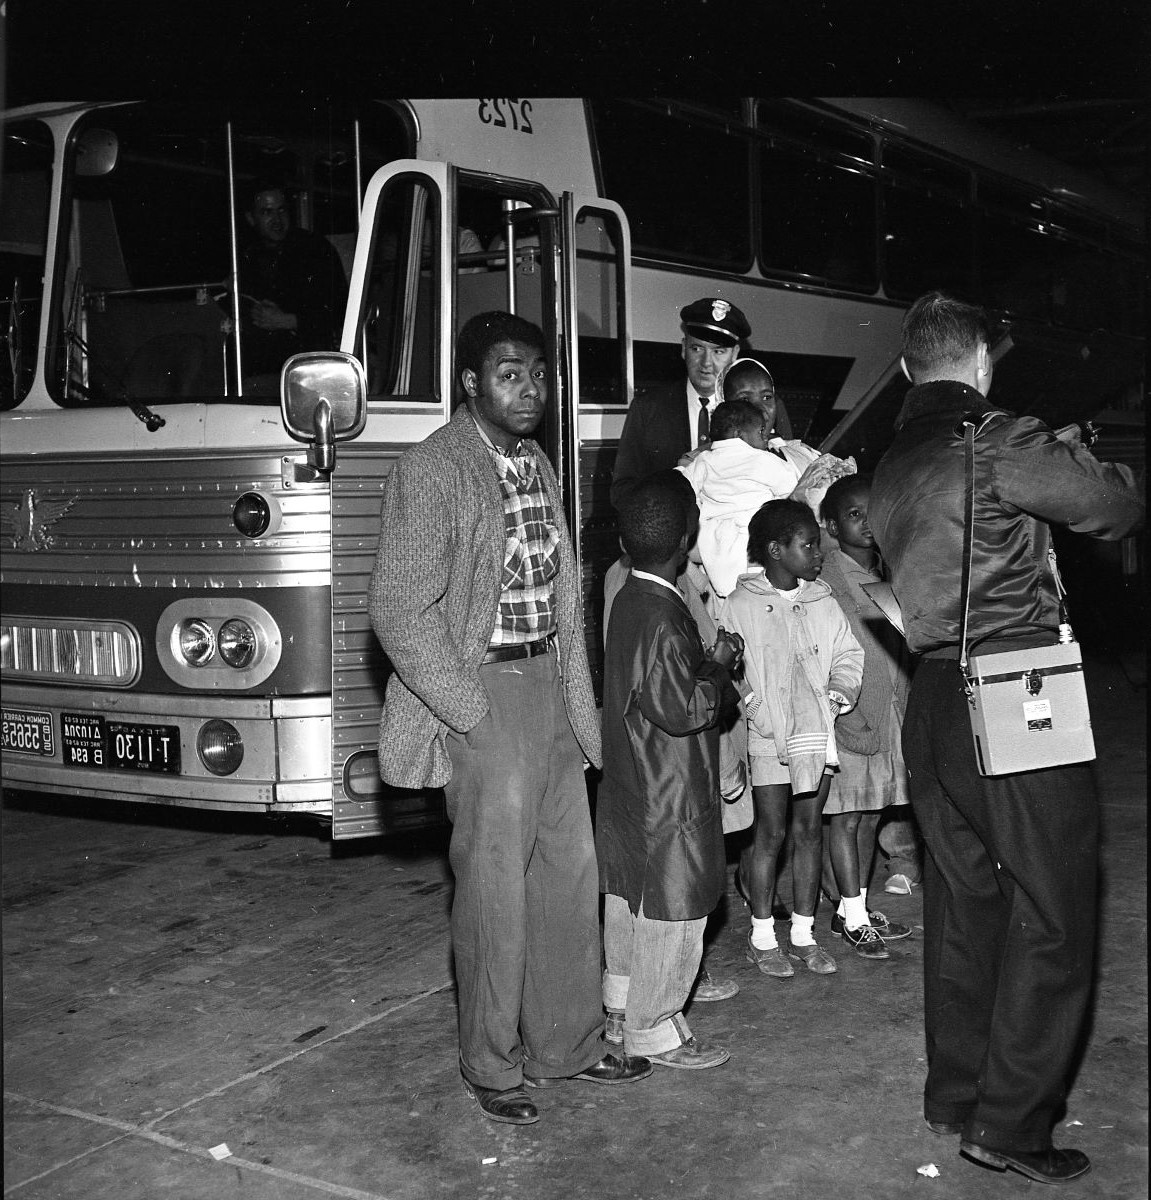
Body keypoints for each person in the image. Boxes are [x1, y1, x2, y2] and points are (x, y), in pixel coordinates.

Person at [869, 290, 1144, 1184]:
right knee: (1056, 910)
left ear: (911, 368)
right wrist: (1077, 456)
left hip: (933, 697)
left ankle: (956, 1089)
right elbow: (1109, 508)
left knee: (964, 905)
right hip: (1015, 684)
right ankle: (1012, 1123)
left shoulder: (895, 456)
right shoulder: (995, 437)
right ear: (982, 363)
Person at [368, 311, 651, 1128]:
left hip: (551, 690)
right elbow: (397, 610)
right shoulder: (431, 469)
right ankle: (489, 1062)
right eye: (507, 372)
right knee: (493, 892)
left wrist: (575, 700)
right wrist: (466, 711)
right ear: (469, 382)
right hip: (483, 696)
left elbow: (559, 591)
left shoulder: (535, 461)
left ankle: (567, 1045)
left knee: (566, 877)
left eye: (536, 372)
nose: (528, 388)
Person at [598, 476, 744, 1070]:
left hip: (631, 780)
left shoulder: (628, 596)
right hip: (670, 787)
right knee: (674, 906)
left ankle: (621, 1004)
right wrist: (720, 666)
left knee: (629, 894)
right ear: (688, 537)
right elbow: (683, 708)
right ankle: (654, 1029)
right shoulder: (662, 613)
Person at [720, 500, 863, 978]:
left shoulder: (822, 599)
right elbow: (729, 671)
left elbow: (848, 652)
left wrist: (840, 691)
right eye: (808, 546)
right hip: (768, 739)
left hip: (816, 735)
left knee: (808, 831)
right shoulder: (738, 605)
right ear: (775, 550)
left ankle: (804, 934)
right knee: (771, 833)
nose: (818, 554)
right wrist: (755, 709)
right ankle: (762, 937)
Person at [817, 475, 914, 959]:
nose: (867, 524)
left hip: (887, 710)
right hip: (851, 716)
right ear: (831, 526)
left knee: (873, 811)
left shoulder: (884, 569)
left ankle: (849, 905)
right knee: (846, 817)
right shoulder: (827, 580)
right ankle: (853, 914)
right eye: (855, 515)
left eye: (872, 513)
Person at [610, 297, 750, 512]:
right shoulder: (647, 409)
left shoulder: (756, 410)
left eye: (718, 351)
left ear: (735, 354)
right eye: (697, 349)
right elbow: (622, 490)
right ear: (684, 348)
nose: (706, 363)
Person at [238, 183, 347, 390]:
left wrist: (288, 321)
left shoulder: (315, 249)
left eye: (281, 210)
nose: (277, 220)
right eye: (267, 212)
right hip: (261, 368)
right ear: (251, 219)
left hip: (309, 367)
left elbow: (340, 311)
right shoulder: (246, 256)